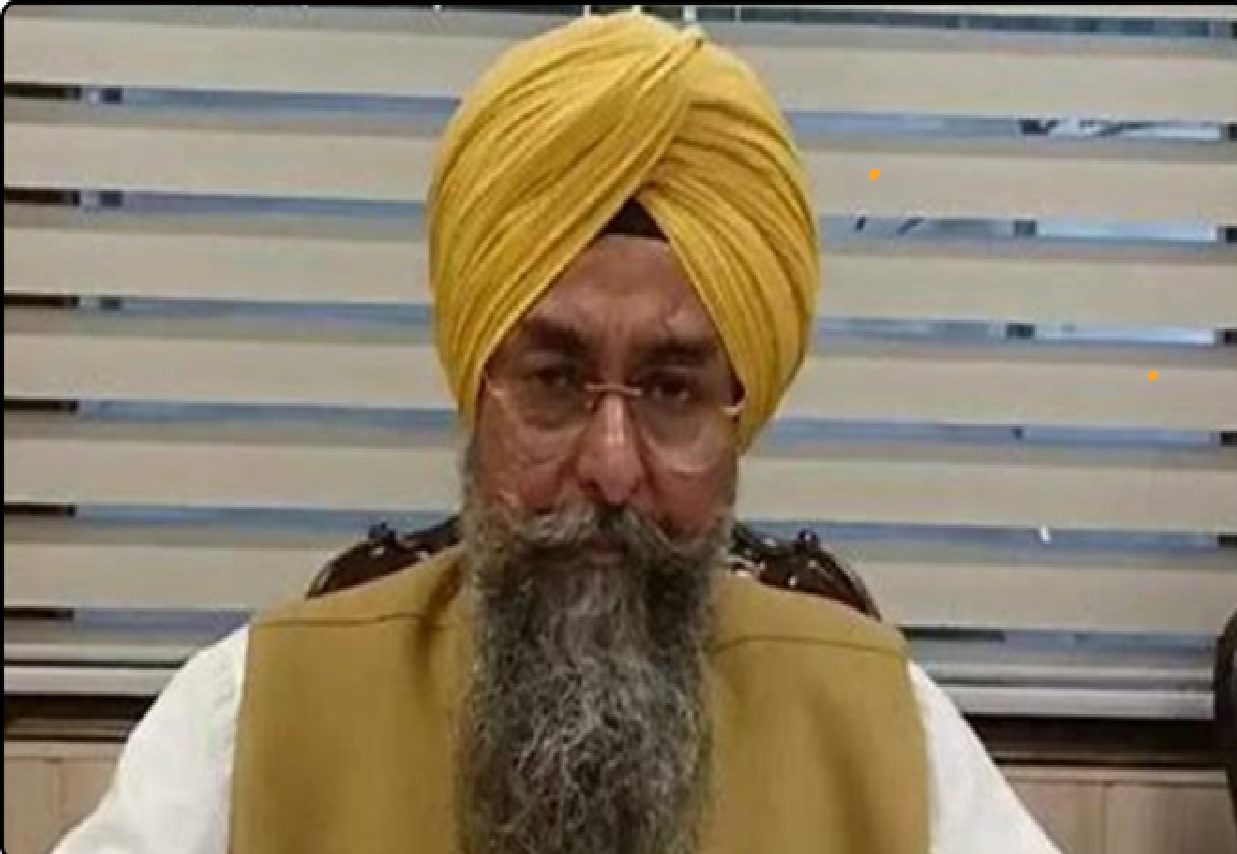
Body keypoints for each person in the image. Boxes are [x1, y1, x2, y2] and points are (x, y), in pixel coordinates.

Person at [52, 10, 1063, 854]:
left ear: (735, 417)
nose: (610, 466)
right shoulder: (252, 722)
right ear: (476, 390)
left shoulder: (883, 737)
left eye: (670, 390)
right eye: (552, 380)